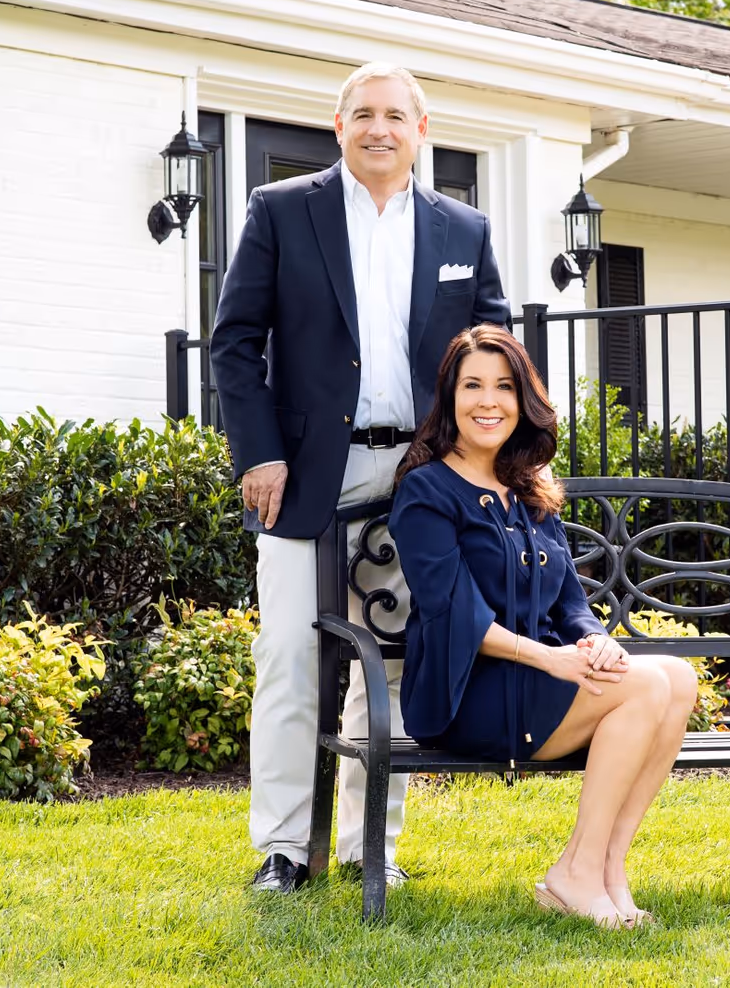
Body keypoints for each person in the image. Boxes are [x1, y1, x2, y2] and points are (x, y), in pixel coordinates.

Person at [210, 63, 510, 894]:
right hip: (305, 474)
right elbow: (236, 344)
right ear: (336, 126)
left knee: (397, 661)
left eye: (396, 116)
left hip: (420, 476)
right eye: (363, 115)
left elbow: (497, 355)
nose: (380, 129)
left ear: (422, 128)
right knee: (288, 657)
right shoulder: (282, 211)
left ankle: (368, 843)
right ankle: (281, 847)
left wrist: (483, 462)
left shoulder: (464, 231)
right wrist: (259, 453)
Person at [388, 326, 698, 929]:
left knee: (678, 679)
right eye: (472, 385)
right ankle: (575, 874)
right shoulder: (426, 491)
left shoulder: (528, 489)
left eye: (504, 387)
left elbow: (567, 598)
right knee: (647, 686)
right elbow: (456, 612)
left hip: (539, 680)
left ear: (521, 401)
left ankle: (606, 869)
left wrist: (592, 638)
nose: (488, 401)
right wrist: (549, 659)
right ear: (450, 398)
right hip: (468, 692)